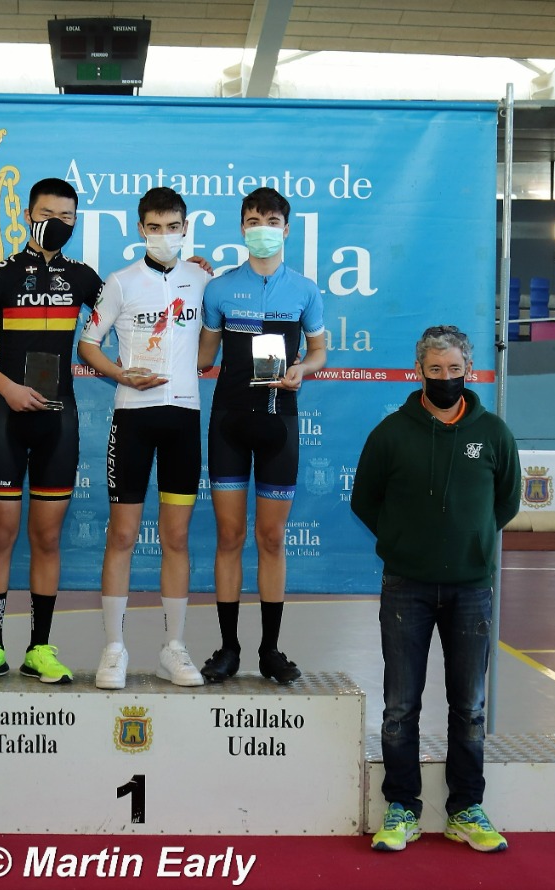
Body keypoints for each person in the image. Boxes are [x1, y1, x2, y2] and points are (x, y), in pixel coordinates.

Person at [350, 325, 522, 854]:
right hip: (406, 586)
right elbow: (364, 500)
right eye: (435, 369)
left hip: (472, 590)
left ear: (468, 370)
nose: (445, 377)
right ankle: (401, 807)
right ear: (419, 371)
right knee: (400, 706)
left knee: (469, 707)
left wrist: (470, 543)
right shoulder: (390, 434)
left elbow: (506, 502)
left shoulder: (493, 433)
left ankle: (465, 808)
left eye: (454, 369)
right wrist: (404, 544)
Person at [0, 177, 103, 685]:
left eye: (66, 217)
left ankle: (39, 648)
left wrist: (190, 272)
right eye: (46, 214)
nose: (56, 223)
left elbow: (134, 307)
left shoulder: (83, 277)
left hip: (59, 421)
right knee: (0, 534)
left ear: (75, 221)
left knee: (47, 537)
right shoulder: (0, 274)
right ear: (27, 215)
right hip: (6, 416)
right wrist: (9, 388)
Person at [77, 187, 209, 688]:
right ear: (140, 229)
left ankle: (173, 648)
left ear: (185, 228)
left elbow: (208, 349)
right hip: (133, 417)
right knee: (123, 535)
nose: (163, 235)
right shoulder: (120, 281)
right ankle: (114, 649)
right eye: (154, 227)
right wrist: (120, 374)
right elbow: (88, 343)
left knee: (176, 537)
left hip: (184, 418)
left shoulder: (202, 280)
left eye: (172, 227)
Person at [196, 187, 327, 684]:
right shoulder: (219, 289)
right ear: (242, 228)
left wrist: (302, 370)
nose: (262, 228)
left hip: (279, 424)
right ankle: (228, 648)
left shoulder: (306, 290)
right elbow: (203, 357)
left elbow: (318, 352)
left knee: (271, 538)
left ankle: (270, 650)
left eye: (272, 221)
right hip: (228, 424)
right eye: (254, 220)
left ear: (286, 229)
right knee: (229, 536)